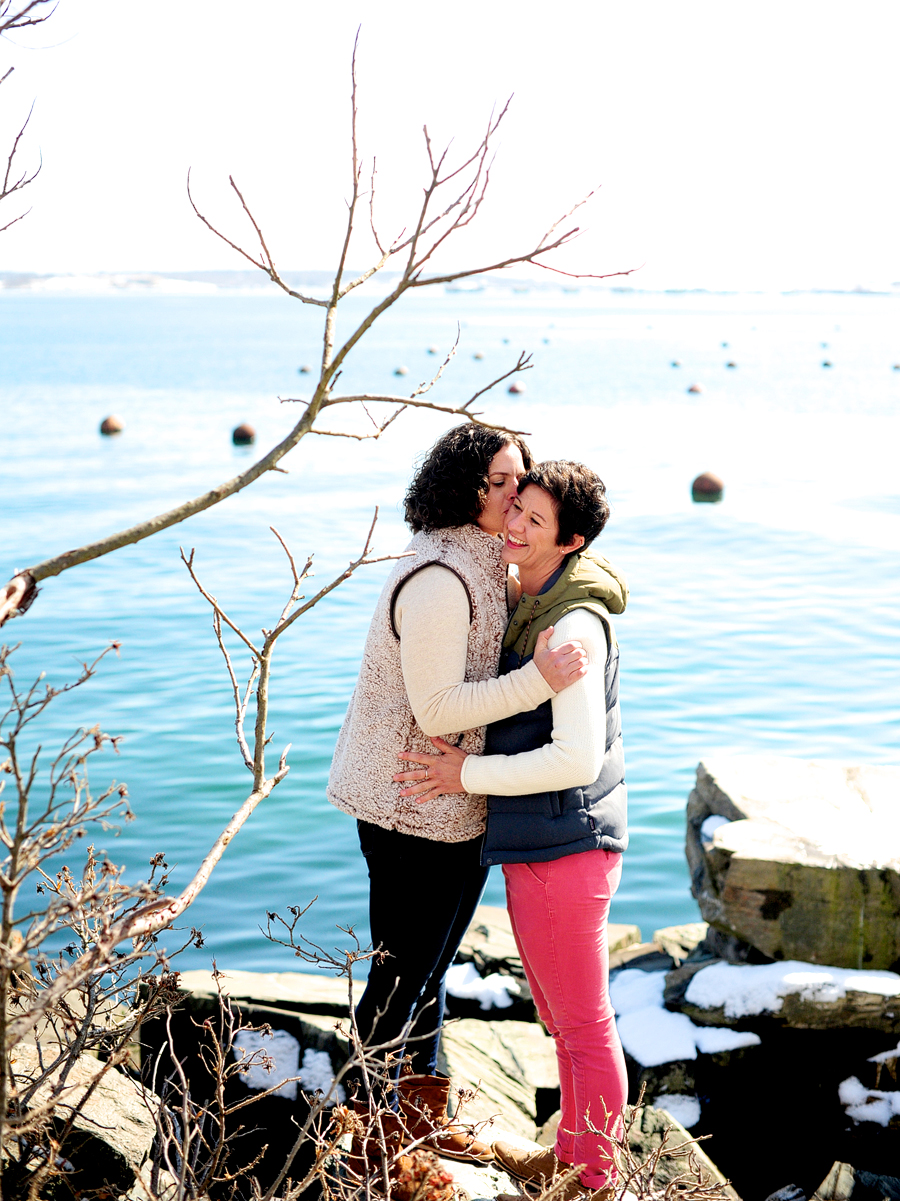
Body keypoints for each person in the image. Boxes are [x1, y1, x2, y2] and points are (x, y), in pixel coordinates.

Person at [326, 428, 588, 1164]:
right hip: (412, 805)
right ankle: (371, 1132)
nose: (520, 491)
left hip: (447, 800)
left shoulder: (477, 561)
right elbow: (439, 707)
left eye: (522, 477)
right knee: (403, 972)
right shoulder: (441, 578)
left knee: (427, 971)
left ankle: (420, 1115)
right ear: (466, 489)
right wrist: (544, 679)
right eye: (504, 479)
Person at [394, 460, 628, 1200]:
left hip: (567, 847)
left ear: (572, 541)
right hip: (543, 847)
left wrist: (466, 776)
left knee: (583, 1027)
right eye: (516, 508)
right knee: (563, 1024)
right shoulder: (534, 601)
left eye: (534, 521)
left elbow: (577, 755)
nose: (514, 527)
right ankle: (572, 1162)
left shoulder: (572, 623)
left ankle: (590, 1178)